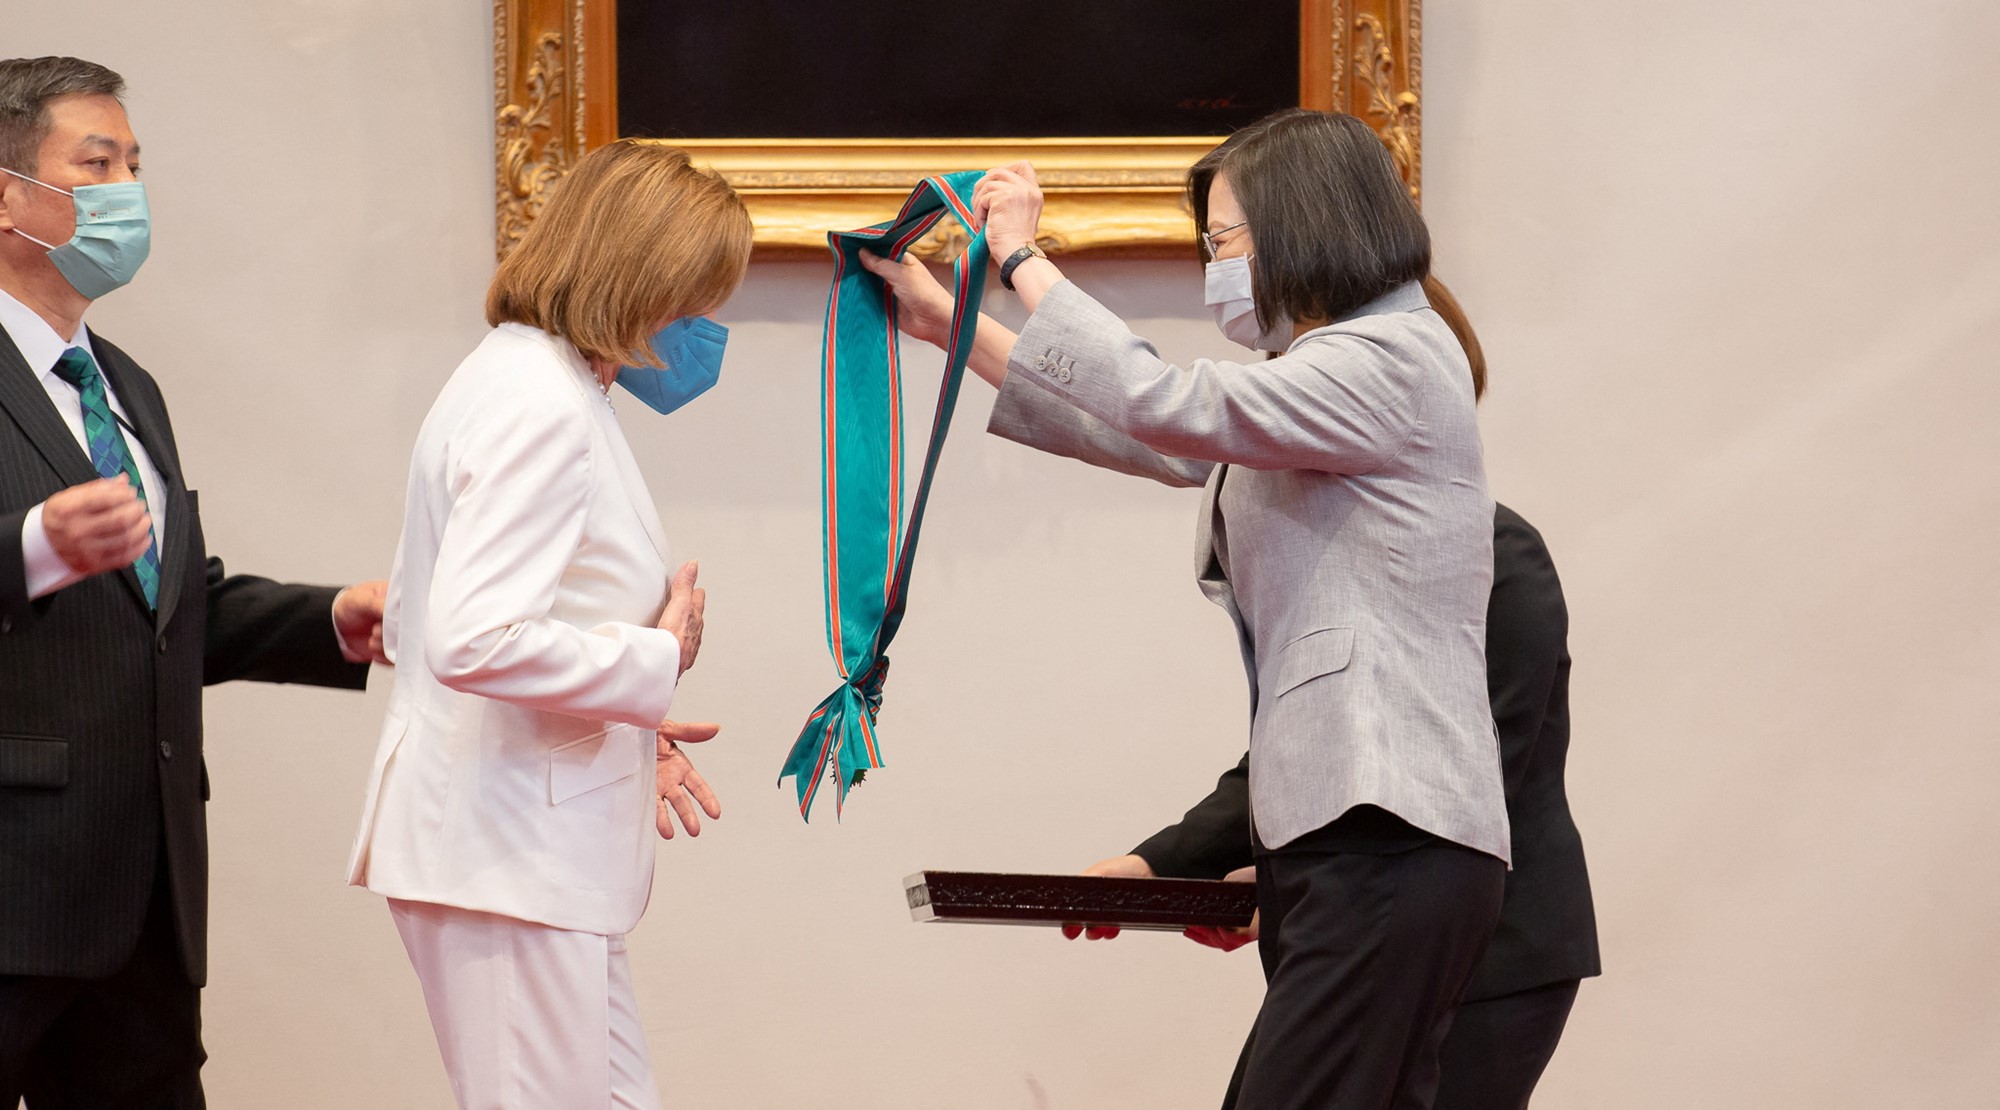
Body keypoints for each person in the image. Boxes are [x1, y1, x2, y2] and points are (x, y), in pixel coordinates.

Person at [863, 109, 1509, 1108]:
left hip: (1388, 835)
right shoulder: (1326, 375)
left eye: (1222, 242)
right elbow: (1160, 437)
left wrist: (1020, 256)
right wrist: (951, 323)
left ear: (1300, 223)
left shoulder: (1388, 356)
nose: (1215, 266)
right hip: (1346, 839)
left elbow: (1166, 404)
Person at [1077, 276, 1602, 1110]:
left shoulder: (1496, 549)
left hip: (1485, 951)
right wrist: (1158, 866)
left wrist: (1295, 867)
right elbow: (1302, 745)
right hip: (1366, 914)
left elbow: (1465, 762)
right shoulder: (1350, 556)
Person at [0, 56, 388, 1107]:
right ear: (7, 193)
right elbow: (53, 555)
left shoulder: (125, 384)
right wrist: (34, 545)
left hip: (146, 897)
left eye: (135, 163)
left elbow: (168, 608)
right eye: (98, 162)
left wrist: (331, 622)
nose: (128, 190)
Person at [345, 139, 751, 1110]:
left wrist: (627, 719)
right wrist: (655, 657)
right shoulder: (541, 405)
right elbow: (469, 637)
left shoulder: (531, 380)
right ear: (638, 277)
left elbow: (413, 616)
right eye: (693, 296)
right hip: (503, 851)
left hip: (520, 846)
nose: (697, 325)